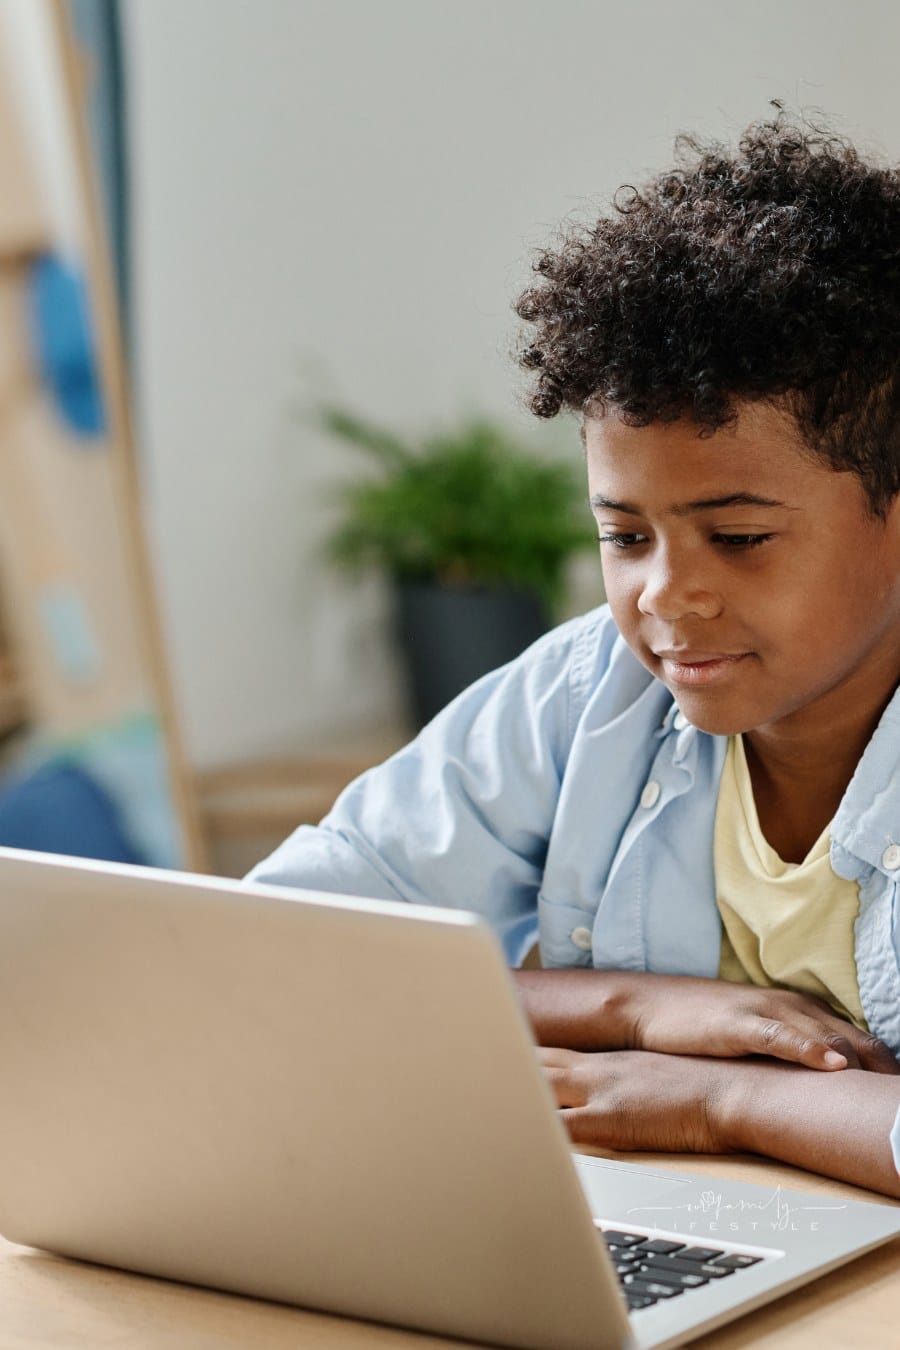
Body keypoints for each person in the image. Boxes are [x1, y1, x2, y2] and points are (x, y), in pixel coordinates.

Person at [248, 110, 900, 1197]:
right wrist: (630, 1009)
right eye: (625, 536)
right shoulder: (588, 690)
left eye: (739, 538)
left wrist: (720, 1099)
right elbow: (279, 953)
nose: (665, 595)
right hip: (694, 1227)